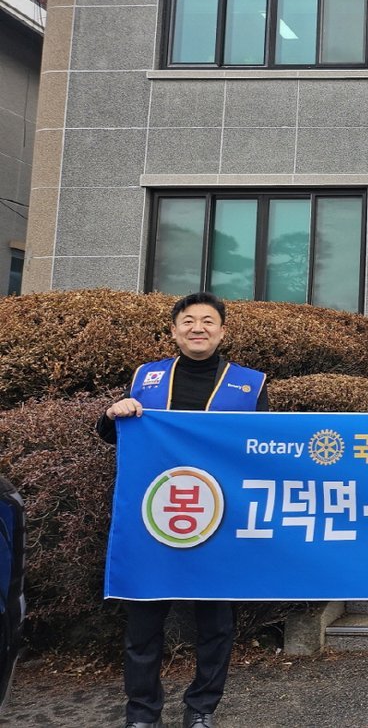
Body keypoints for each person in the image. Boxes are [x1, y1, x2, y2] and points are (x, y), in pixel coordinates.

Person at [97, 292, 267, 728]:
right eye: (188, 321)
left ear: (222, 331)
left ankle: (202, 709)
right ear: (173, 331)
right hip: (153, 519)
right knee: (143, 620)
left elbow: (263, 449)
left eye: (208, 321)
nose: (198, 328)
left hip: (221, 521)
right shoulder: (146, 378)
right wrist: (114, 413)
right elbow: (114, 435)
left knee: (216, 625)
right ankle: (141, 713)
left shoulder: (250, 384)